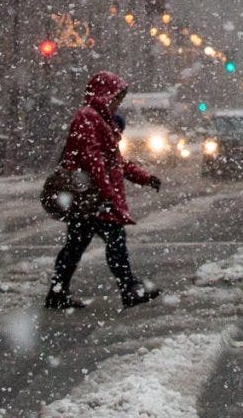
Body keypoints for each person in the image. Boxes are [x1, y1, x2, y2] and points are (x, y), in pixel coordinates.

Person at [46, 70, 163, 310]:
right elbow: (93, 160)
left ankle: (57, 292)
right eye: (116, 98)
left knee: (76, 245)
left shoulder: (99, 120)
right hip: (92, 196)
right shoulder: (88, 118)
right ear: (104, 95)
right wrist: (107, 192)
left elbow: (115, 162)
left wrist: (145, 178)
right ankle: (128, 288)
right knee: (114, 241)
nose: (118, 104)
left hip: (91, 195)